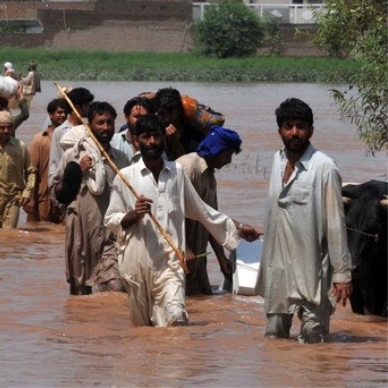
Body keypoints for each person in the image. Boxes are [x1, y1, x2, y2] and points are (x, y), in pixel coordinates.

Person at [104, 114, 260, 327]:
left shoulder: (177, 173)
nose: (151, 142)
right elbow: (111, 220)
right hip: (136, 264)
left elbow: (202, 210)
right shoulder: (125, 176)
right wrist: (133, 214)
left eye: (156, 136)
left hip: (170, 264)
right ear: (136, 141)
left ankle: (177, 360)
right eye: (146, 137)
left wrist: (238, 228)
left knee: (176, 317)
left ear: (164, 139)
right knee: (143, 330)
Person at [255, 98, 352, 344]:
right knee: (274, 339)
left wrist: (341, 274)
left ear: (311, 130)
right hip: (279, 270)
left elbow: (335, 224)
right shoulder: (276, 161)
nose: (294, 132)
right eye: (288, 126)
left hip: (312, 270)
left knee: (314, 340)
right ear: (280, 130)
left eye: (301, 126)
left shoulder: (324, 167)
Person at [51, 101, 128, 295]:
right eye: (100, 122)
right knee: (81, 289)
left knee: (115, 285)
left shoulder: (120, 159)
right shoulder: (73, 155)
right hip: (81, 231)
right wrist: (77, 171)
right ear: (90, 125)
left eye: (109, 123)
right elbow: (56, 193)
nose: (106, 127)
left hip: (111, 234)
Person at [177, 125, 243, 296]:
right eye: (227, 154)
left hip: (198, 258)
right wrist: (184, 247)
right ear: (216, 149)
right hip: (181, 255)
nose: (228, 161)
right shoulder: (187, 167)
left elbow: (212, 221)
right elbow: (172, 212)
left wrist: (222, 259)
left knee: (201, 303)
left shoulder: (210, 177)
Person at [27, 98, 67, 223]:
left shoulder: (70, 139)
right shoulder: (39, 140)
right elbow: (32, 171)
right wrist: (31, 198)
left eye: (66, 113)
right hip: (43, 198)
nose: (63, 115)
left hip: (65, 197)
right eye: (59, 112)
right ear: (50, 115)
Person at [48, 87, 94, 185]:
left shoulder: (89, 129)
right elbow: (55, 162)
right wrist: (53, 188)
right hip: (68, 183)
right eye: (87, 105)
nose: (89, 108)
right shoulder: (60, 132)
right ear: (77, 108)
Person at [156, 87, 205, 160]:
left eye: (170, 113)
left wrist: (176, 144)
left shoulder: (193, 137)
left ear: (178, 111)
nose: (166, 119)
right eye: (162, 114)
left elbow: (189, 168)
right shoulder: (155, 133)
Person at [111, 96, 152, 163]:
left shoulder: (155, 144)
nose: (141, 121)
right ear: (127, 118)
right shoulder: (113, 142)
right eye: (137, 116)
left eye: (145, 117)